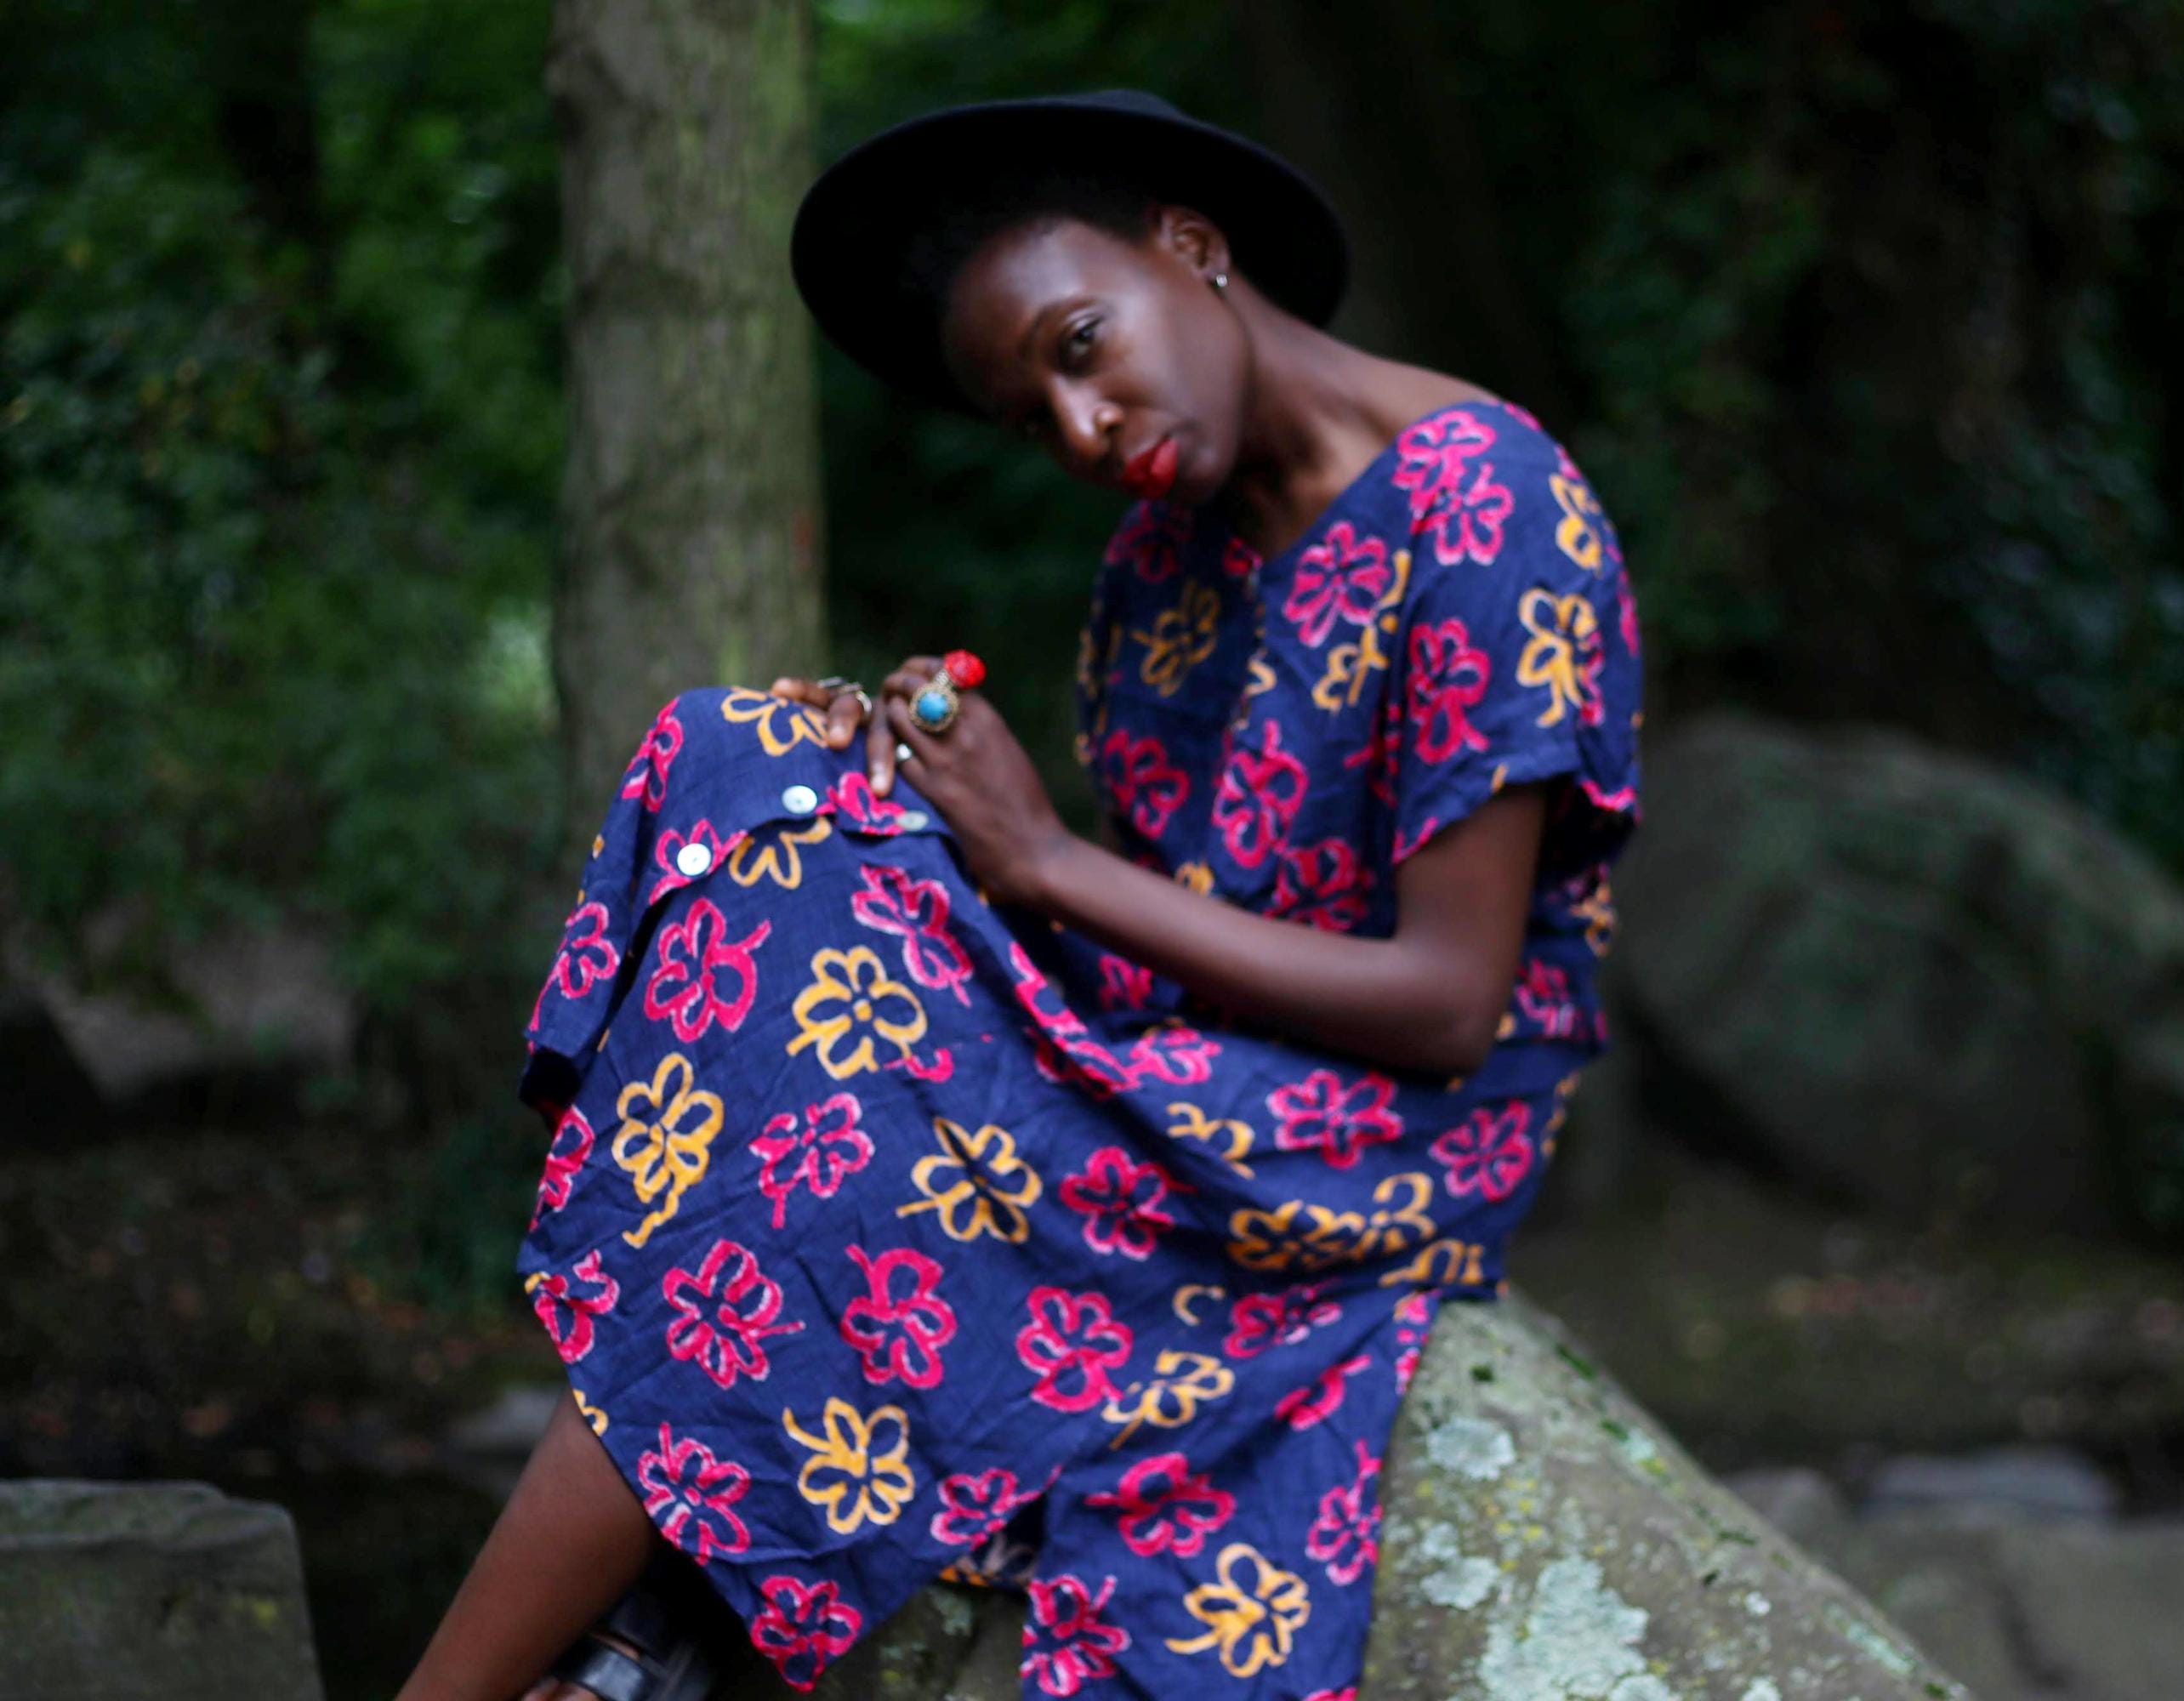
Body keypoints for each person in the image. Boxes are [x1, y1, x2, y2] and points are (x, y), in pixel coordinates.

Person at [400, 89, 1641, 1701]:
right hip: (1186, 1057)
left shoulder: (1486, 505)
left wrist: (1037, 861)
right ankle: (634, 1644)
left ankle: (598, 1662)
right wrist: (923, 797)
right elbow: (1135, 932)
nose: (1081, 431)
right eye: (1030, 412)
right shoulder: (1162, 569)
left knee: (828, 1145)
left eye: (1079, 344)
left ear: (1190, 250)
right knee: (753, 759)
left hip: (1387, 1132)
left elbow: (1450, 1006)